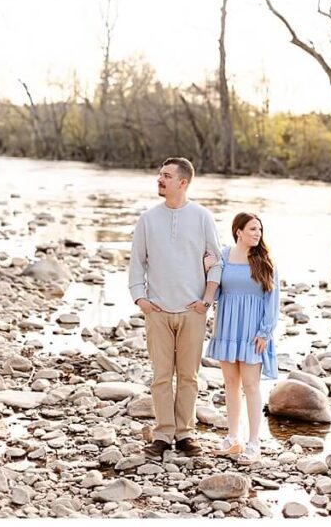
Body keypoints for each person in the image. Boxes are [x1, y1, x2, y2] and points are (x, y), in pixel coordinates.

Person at [128, 157, 223, 459]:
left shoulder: (202, 217)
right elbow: (136, 262)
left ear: (182, 183)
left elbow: (215, 262)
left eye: (166, 176)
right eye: (159, 174)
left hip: (192, 312)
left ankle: (186, 434)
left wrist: (206, 301)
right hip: (157, 311)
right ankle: (163, 433)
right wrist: (140, 299)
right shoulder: (147, 219)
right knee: (160, 376)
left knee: (188, 377)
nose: (160, 179)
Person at [203, 212, 280, 465]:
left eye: (259, 230)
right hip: (227, 328)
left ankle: (254, 443)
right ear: (238, 231)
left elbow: (272, 300)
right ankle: (232, 437)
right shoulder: (224, 256)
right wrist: (207, 270)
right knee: (230, 384)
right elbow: (215, 293)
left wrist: (265, 332)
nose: (257, 234)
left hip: (252, 332)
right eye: (252, 229)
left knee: (251, 386)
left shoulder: (265, 261)